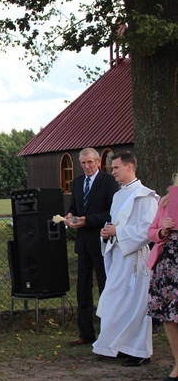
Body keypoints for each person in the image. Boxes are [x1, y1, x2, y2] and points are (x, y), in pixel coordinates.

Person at [93, 152, 159, 366]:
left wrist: (118, 231)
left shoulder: (145, 196)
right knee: (115, 300)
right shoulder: (119, 195)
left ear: (129, 167)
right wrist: (108, 233)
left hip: (136, 259)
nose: (112, 172)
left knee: (136, 304)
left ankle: (139, 351)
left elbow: (148, 230)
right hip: (119, 255)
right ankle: (119, 345)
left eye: (116, 168)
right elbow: (116, 224)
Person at [64, 148, 119, 345]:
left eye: (90, 162)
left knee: (105, 288)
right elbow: (74, 208)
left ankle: (108, 333)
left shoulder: (109, 182)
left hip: (102, 243)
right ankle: (86, 334)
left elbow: (111, 213)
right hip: (83, 244)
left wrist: (88, 220)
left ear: (98, 162)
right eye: (83, 163)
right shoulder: (78, 182)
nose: (86, 166)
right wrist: (70, 217)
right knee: (83, 290)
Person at [147, 173, 178, 381]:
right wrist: (162, 229)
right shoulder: (167, 201)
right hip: (168, 264)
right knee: (169, 316)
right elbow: (151, 232)